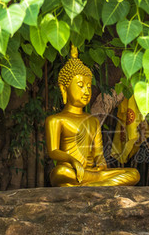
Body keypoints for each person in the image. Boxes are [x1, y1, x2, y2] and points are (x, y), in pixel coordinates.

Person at [45, 47, 140, 187]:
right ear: (64, 89)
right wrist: (72, 161)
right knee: (60, 172)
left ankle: (92, 185)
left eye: (89, 86)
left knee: (134, 173)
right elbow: (53, 151)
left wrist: (101, 163)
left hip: (92, 173)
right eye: (80, 86)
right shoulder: (56, 120)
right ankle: (100, 184)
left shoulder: (92, 120)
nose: (86, 91)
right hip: (70, 170)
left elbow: (98, 153)